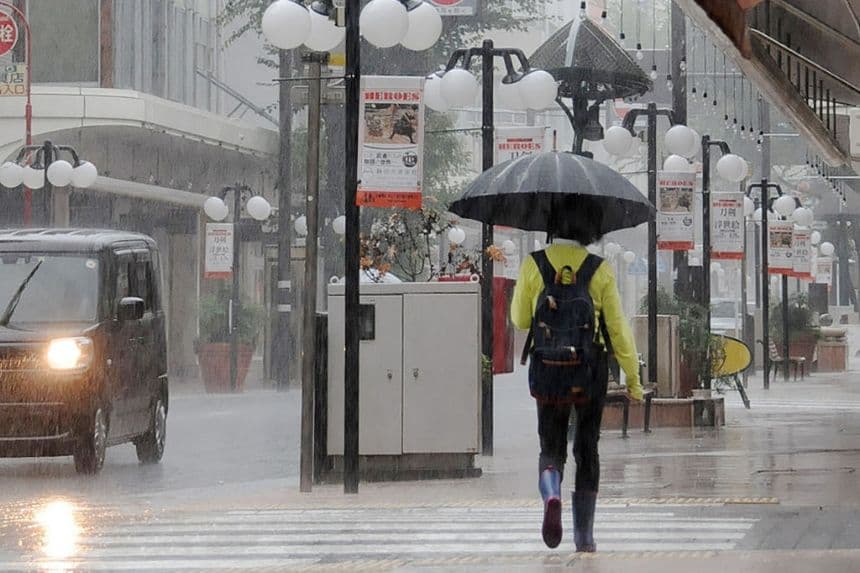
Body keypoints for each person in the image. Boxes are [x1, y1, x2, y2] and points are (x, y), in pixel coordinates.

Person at [511, 222, 643, 552]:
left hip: (548, 369)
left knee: (550, 445)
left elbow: (521, 320)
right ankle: (584, 534)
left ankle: (551, 489)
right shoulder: (599, 269)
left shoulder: (533, 263)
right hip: (588, 369)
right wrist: (633, 379)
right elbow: (617, 328)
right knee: (587, 448)